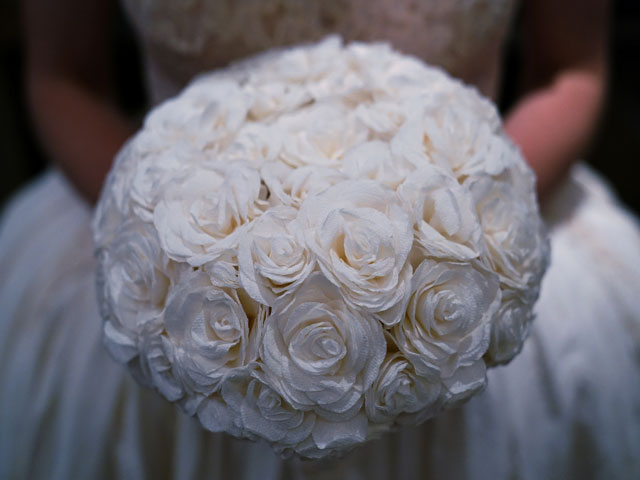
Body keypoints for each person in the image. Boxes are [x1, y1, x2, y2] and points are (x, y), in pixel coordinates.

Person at [1, 0, 639, 478]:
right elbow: (64, 76)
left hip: (474, 232)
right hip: (179, 282)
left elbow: (570, 69)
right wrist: (176, 253)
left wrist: (459, 235)